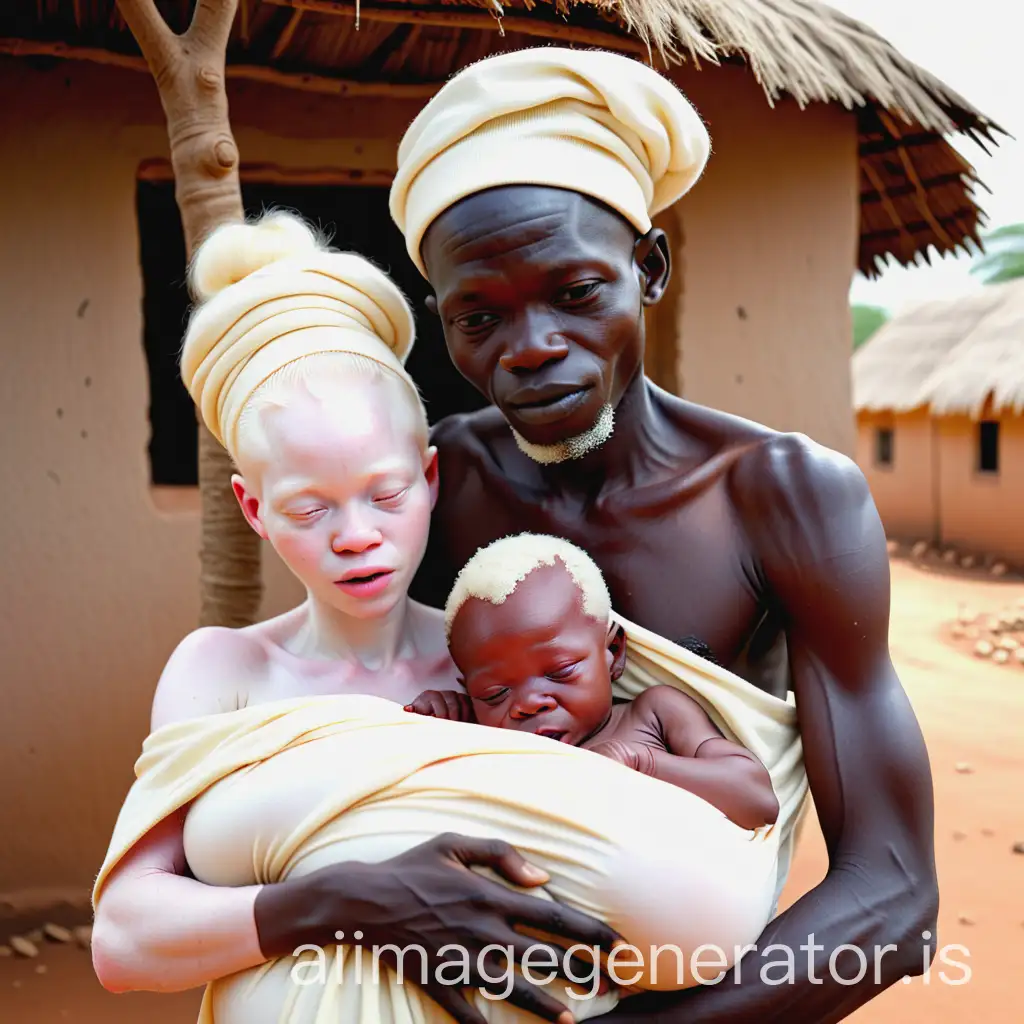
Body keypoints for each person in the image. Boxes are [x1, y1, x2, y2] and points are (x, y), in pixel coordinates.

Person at [90, 211, 796, 1024]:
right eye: (307, 509)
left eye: (386, 494)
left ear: (429, 476)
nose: (357, 538)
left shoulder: (500, 666)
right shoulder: (222, 672)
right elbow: (123, 939)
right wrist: (349, 902)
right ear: (253, 509)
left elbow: (695, 836)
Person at [385, 45, 939, 1022]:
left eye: (574, 292)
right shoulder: (437, 483)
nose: (532, 348)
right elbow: (357, 734)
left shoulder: (782, 497)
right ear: (444, 324)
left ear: (648, 269)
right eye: (480, 315)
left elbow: (894, 893)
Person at [405, 533, 779, 832]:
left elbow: (757, 799)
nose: (529, 702)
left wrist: (641, 762)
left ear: (613, 652)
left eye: (561, 671)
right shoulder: (487, 733)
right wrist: (439, 724)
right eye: (496, 693)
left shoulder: (653, 714)